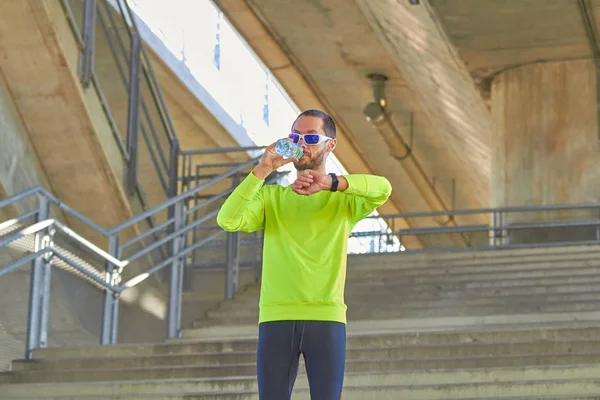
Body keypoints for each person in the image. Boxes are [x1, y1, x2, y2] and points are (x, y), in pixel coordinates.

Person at [216, 109, 392, 400]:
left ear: (330, 145)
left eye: (311, 137)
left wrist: (330, 183)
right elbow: (228, 220)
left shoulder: (344, 203)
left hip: (326, 318)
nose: (303, 143)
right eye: (296, 137)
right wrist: (262, 170)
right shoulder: (272, 199)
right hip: (276, 316)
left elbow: (382, 188)